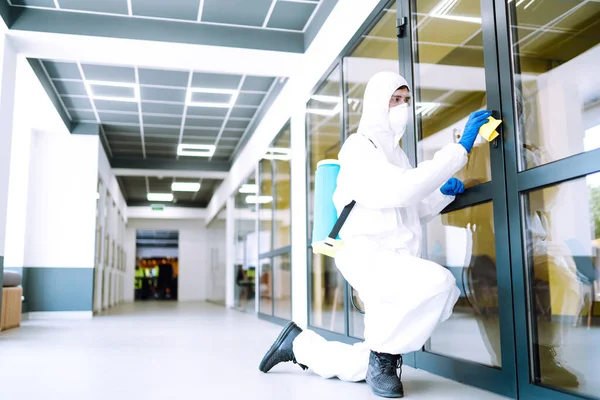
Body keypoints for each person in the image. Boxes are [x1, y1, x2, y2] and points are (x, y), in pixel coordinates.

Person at [258, 71, 492, 398]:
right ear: (376, 104)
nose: (402, 107)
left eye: (407, 100)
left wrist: (441, 195)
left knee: (373, 351)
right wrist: (458, 151)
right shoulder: (358, 147)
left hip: (396, 257)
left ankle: (299, 346)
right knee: (440, 285)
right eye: (395, 99)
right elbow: (398, 191)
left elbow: (409, 210)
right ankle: (384, 359)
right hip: (367, 256)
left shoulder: (398, 155)